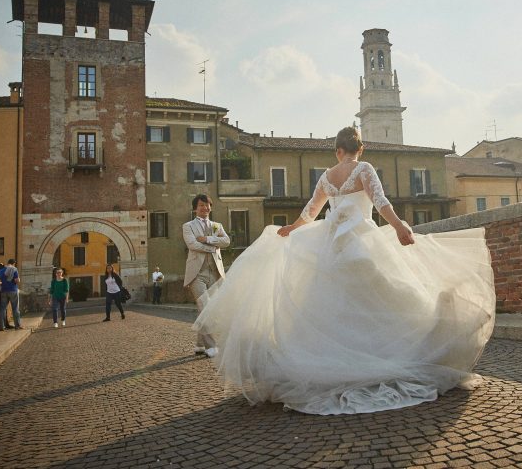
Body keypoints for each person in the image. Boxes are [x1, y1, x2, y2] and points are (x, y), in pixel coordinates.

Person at [193, 126, 495, 415]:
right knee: (385, 297)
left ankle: (335, 364)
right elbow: (380, 203)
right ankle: (387, 356)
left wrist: (291, 228)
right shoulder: (364, 169)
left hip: (332, 248)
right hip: (361, 243)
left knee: (334, 307)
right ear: (359, 149)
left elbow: (310, 212)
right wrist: (400, 226)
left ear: (338, 151)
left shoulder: (326, 177)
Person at [183, 194, 229, 357]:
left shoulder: (217, 225)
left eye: (208, 205)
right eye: (202, 205)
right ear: (195, 208)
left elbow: (227, 241)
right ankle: (211, 346)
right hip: (197, 274)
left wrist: (207, 238)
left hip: (215, 272)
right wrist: (212, 247)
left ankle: (199, 344)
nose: (205, 208)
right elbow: (192, 244)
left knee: (206, 309)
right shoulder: (188, 226)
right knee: (206, 306)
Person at [0, 259, 22, 330]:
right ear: (14, 263)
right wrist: (18, 279)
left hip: (4, 291)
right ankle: (17, 326)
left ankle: (1, 326)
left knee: (2, 309)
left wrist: (2, 284)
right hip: (13, 290)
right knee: (15, 309)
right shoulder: (14, 269)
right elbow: (16, 281)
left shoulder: (1, 270)